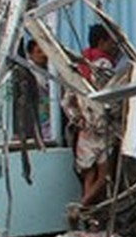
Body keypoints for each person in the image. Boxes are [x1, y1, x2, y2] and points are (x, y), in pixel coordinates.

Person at [65, 24, 119, 206]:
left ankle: (89, 219)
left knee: (89, 174)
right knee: (105, 175)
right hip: (102, 126)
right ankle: (83, 208)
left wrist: (77, 117)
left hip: (84, 129)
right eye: (112, 42)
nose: (115, 46)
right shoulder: (104, 64)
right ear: (102, 41)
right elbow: (111, 95)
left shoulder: (79, 64)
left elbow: (67, 100)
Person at [13, 39, 54, 144]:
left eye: (44, 51)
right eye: (39, 52)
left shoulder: (50, 72)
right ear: (30, 55)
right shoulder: (30, 73)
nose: (43, 55)